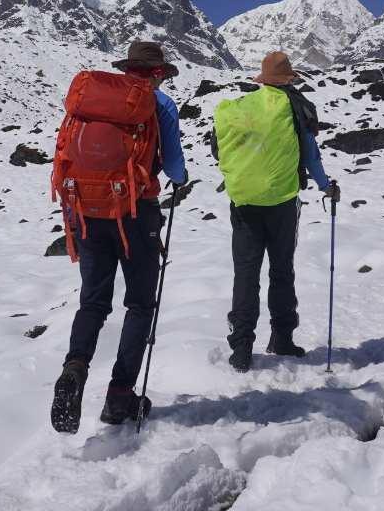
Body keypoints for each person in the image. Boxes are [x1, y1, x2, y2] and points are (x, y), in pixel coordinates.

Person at [50, 41, 187, 433]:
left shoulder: (92, 101)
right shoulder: (160, 105)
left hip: (87, 209)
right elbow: (174, 166)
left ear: (127, 69)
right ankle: (120, 397)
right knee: (141, 304)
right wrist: (178, 178)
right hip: (134, 214)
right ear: (157, 73)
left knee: (92, 302)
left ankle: (75, 368)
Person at [213, 51, 338, 373]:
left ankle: (241, 348)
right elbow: (310, 154)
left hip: (244, 202)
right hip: (282, 202)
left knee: (246, 274)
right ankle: (281, 338)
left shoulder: (241, 109)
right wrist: (326, 186)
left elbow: (218, 149)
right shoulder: (295, 106)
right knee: (281, 271)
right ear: (288, 79)